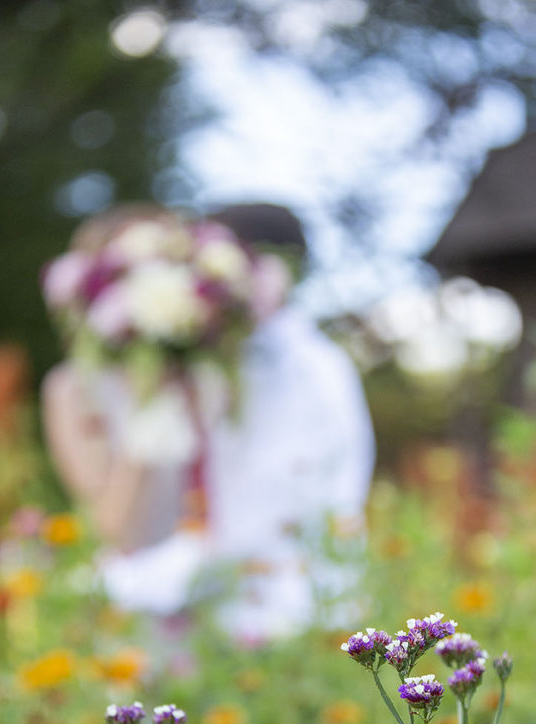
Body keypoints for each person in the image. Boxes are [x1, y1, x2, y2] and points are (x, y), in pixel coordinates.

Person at [41, 203, 375, 642]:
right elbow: (115, 526)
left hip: (251, 596)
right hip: (158, 589)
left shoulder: (264, 367)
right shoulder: (78, 388)